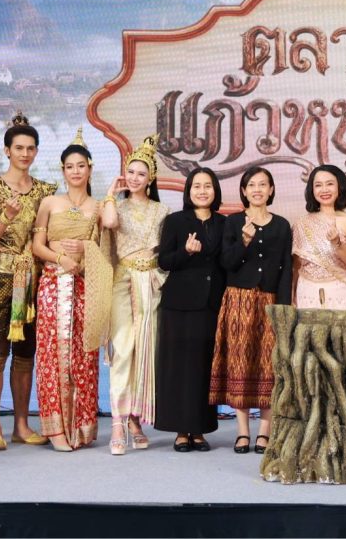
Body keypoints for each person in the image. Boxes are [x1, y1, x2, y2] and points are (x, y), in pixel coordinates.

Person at [0, 113, 56, 451]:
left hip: (35, 280)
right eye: (19, 147)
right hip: (1, 280)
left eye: (30, 148)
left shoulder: (46, 191)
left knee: (25, 354)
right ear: (7, 150)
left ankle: (21, 423)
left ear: (36, 152)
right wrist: (6, 217)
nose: (25, 153)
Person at [31, 131, 110, 452]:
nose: (75, 171)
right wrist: (61, 258)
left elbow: (106, 253)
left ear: (90, 168)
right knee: (52, 354)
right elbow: (37, 246)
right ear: (62, 170)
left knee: (84, 356)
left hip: (84, 287)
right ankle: (56, 430)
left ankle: (81, 427)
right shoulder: (50, 203)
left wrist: (86, 250)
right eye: (69, 166)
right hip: (53, 283)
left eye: (81, 165)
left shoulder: (98, 207)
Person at [209, 167, 292, 455]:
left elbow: (286, 268)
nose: (257, 189)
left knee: (270, 365)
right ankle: (242, 432)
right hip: (239, 300)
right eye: (251, 185)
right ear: (244, 191)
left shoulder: (282, 225)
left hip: (270, 300)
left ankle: (265, 432)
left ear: (271, 190)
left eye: (263, 184)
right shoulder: (232, 223)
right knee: (240, 363)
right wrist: (243, 242)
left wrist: (283, 308)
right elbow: (226, 263)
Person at [96, 134, 169, 455]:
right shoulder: (116, 207)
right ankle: (117, 423)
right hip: (123, 283)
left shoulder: (162, 210)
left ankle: (135, 420)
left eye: (141, 173)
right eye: (131, 172)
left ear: (151, 178)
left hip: (152, 284)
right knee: (124, 350)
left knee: (145, 353)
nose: (135, 178)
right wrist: (111, 195)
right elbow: (110, 223)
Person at [155, 168, 227, 452]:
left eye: (207, 186)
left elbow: (226, 262)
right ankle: (181, 431)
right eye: (196, 186)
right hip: (179, 305)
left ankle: (199, 430)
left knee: (203, 367)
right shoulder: (175, 221)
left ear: (215, 190)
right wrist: (185, 252)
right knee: (179, 368)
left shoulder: (225, 223)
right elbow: (164, 261)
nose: (202, 191)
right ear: (188, 191)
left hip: (211, 304)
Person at [292, 164, 346, 311]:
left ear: (340, 187)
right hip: (307, 291)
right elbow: (296, 265)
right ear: (312, 190)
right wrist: (291, 293)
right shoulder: (301, 223)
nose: (324, 190)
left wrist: (337, 243)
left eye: (330, 184)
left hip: (342, 290)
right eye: (318, 185)